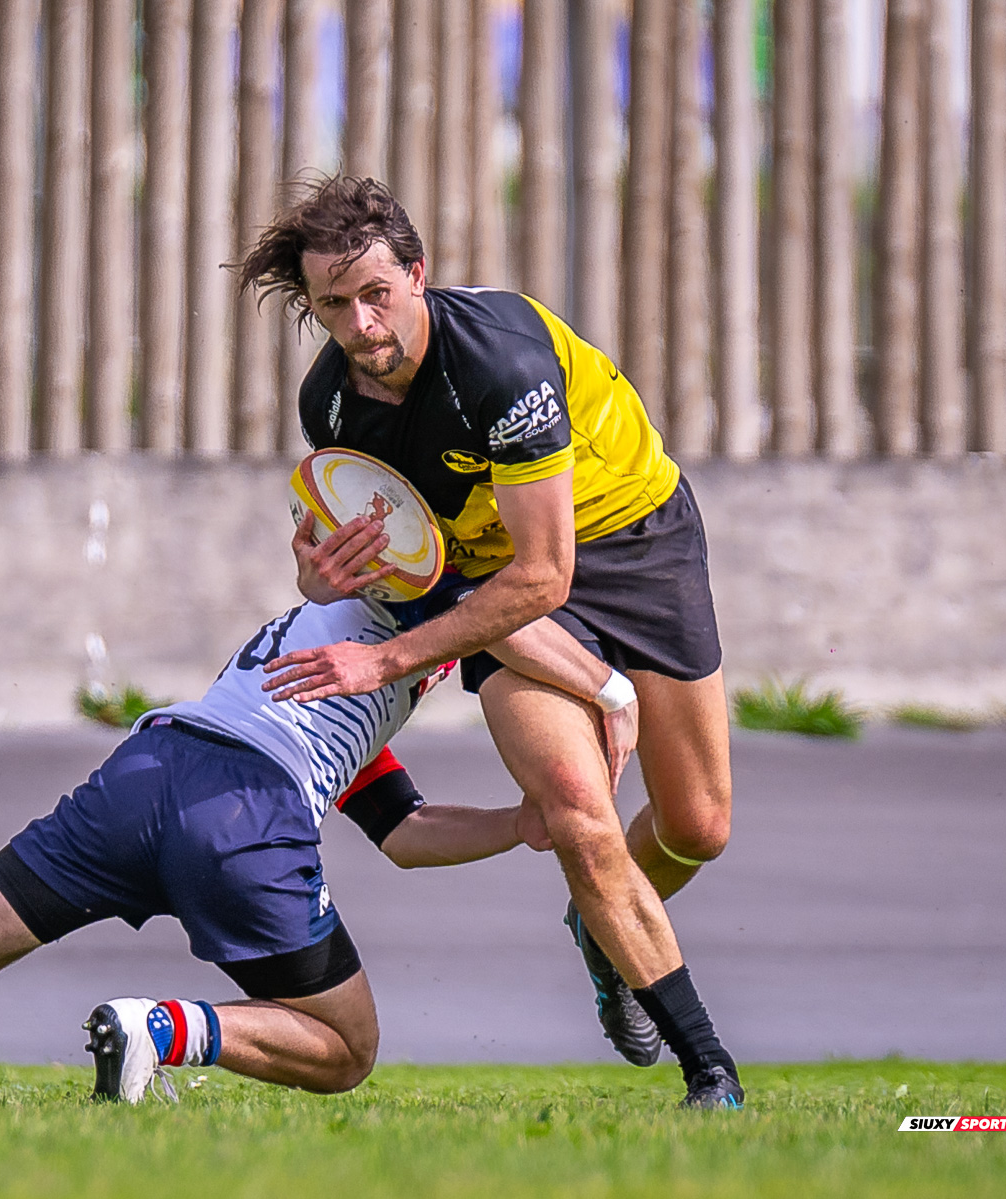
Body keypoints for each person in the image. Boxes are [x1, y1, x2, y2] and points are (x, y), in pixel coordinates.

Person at [0, 595, 638, 1105]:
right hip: (245, 806)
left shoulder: (311, 640)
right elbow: (516, 607)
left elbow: (400, 833)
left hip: (151, 767)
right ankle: (165, 1028)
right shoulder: (428, 582)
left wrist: (515, 826)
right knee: (347, 1047)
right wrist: (610, 683)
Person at [232, 175, 744, 1109]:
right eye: (333, 305)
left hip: (634, 541)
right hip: (496, 584)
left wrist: (384, 660)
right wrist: (326, 579)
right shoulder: (335, 409)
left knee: (698, 824)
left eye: (376, 293)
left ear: (417, 275)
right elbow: (423, 569)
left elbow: (549, 570)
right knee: (579, 818)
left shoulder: (500, 362)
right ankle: (711, 1072)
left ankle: (605, 931)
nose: (361, 323)